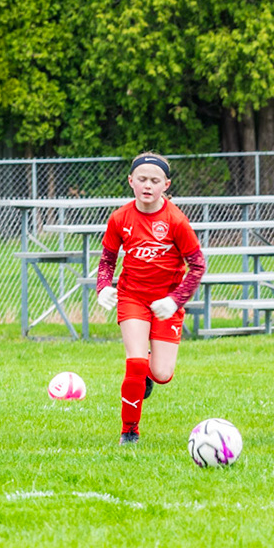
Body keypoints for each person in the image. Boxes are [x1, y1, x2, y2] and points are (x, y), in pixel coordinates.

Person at [94, 153, 206, 445]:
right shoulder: (120, 218)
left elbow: (197, 265)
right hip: (132, 298)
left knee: (161, 373)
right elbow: (107, 260)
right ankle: (129, 431)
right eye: (142, 179)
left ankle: (145, 370)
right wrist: (104, 286)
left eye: (155, 180)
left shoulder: (176, 220)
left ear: (165, 185)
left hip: (165, 304)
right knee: (134, 362)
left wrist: (176, 299)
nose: (147, 185)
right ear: (131, 181)